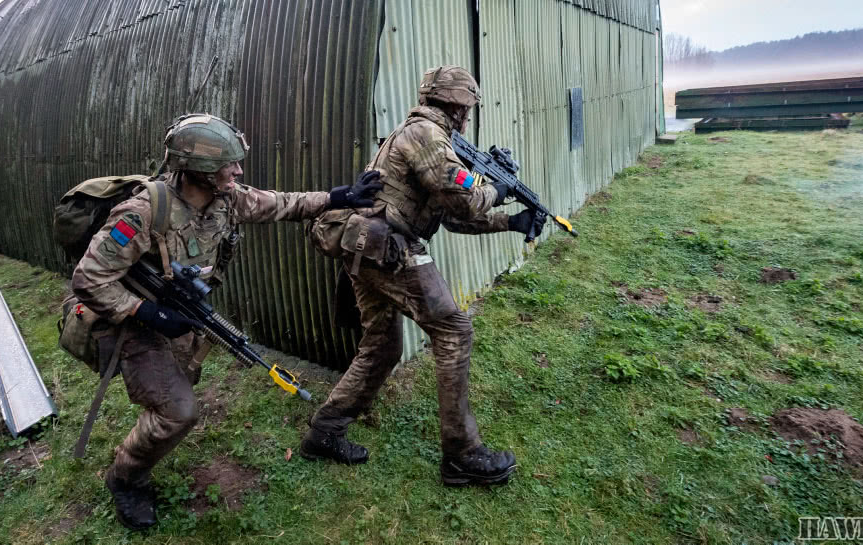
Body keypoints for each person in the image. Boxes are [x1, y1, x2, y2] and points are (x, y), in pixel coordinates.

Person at [71, 113, 381, 530]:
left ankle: (152, 430)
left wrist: (339, 197)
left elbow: (281, 204)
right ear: (200, 170)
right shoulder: (142, 213)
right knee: (179, 411)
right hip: (130, 322)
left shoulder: (226, 199)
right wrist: (148, 313)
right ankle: (125, 478)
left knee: (181, 384)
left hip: (177, 314)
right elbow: (89, 279)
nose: (238, 171)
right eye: (228, 165)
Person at [301, 66, 536, 486]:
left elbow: (451, 215)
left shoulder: (428, 136)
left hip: (368, 246)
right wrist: (499, 190)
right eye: (467, 108)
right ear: (458, 106)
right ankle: (462, 454)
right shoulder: (427, 135)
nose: (468, 116)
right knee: (454, 330)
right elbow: (466, 203)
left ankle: (325, 431)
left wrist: (510, 221)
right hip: (386, 248)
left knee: (382, 346)